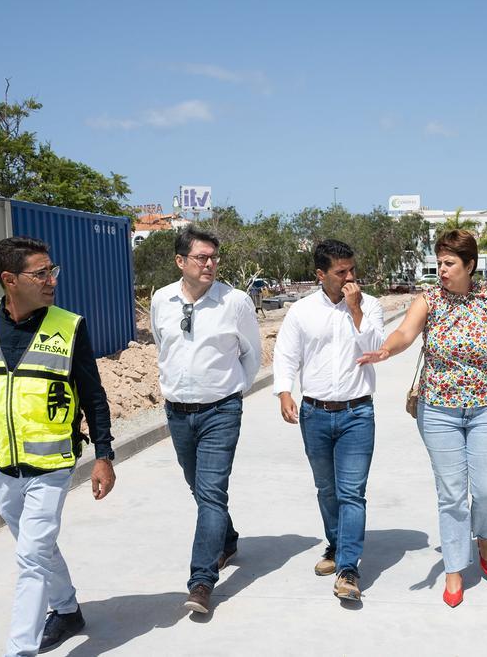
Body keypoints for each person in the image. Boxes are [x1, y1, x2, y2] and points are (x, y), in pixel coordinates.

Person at [0, 236, 116, 657]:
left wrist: (104, 455)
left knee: (31, 556)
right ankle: (67, 609)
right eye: (41, 273)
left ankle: (20, 650)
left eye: (53, 270)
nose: (52, 280)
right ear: (9, 280)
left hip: (52, 466)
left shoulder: (69, 326)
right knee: (36, 545)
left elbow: (93, 396)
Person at [358, 229, 487, 608]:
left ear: (470, 265)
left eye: (449, 263)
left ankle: (484, 536)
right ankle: (455, 566)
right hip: (438, 410)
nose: (441, 269)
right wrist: (386, 350)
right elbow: (405, 332)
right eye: (439, 262)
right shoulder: (430, 299)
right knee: (451, 494)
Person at [150, 225, 261, 615]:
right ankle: (226, 539)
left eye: (214, 257)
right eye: (202, 257)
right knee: (200, 489)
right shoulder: (162, 300)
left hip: (220, 411)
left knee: (211, 491)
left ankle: (201, 581)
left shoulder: (235, 302)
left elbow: (252, 354)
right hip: (178, 412)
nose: (210, 264)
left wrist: (232, 394)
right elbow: (162, 346)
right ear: (181, 261)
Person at [273, 239, 385, 603]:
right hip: (315, 413)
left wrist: (355, 311)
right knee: (327, 489)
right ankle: (336, 545)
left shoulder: (371, 306)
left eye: (352, 269)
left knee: (352, 492)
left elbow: (374, 348)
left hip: (357, 413)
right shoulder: (301, 311)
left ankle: (348, 567)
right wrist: (284, 392)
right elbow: (286, 354)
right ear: (321, 275)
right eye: (341, 272)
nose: (350, 277)